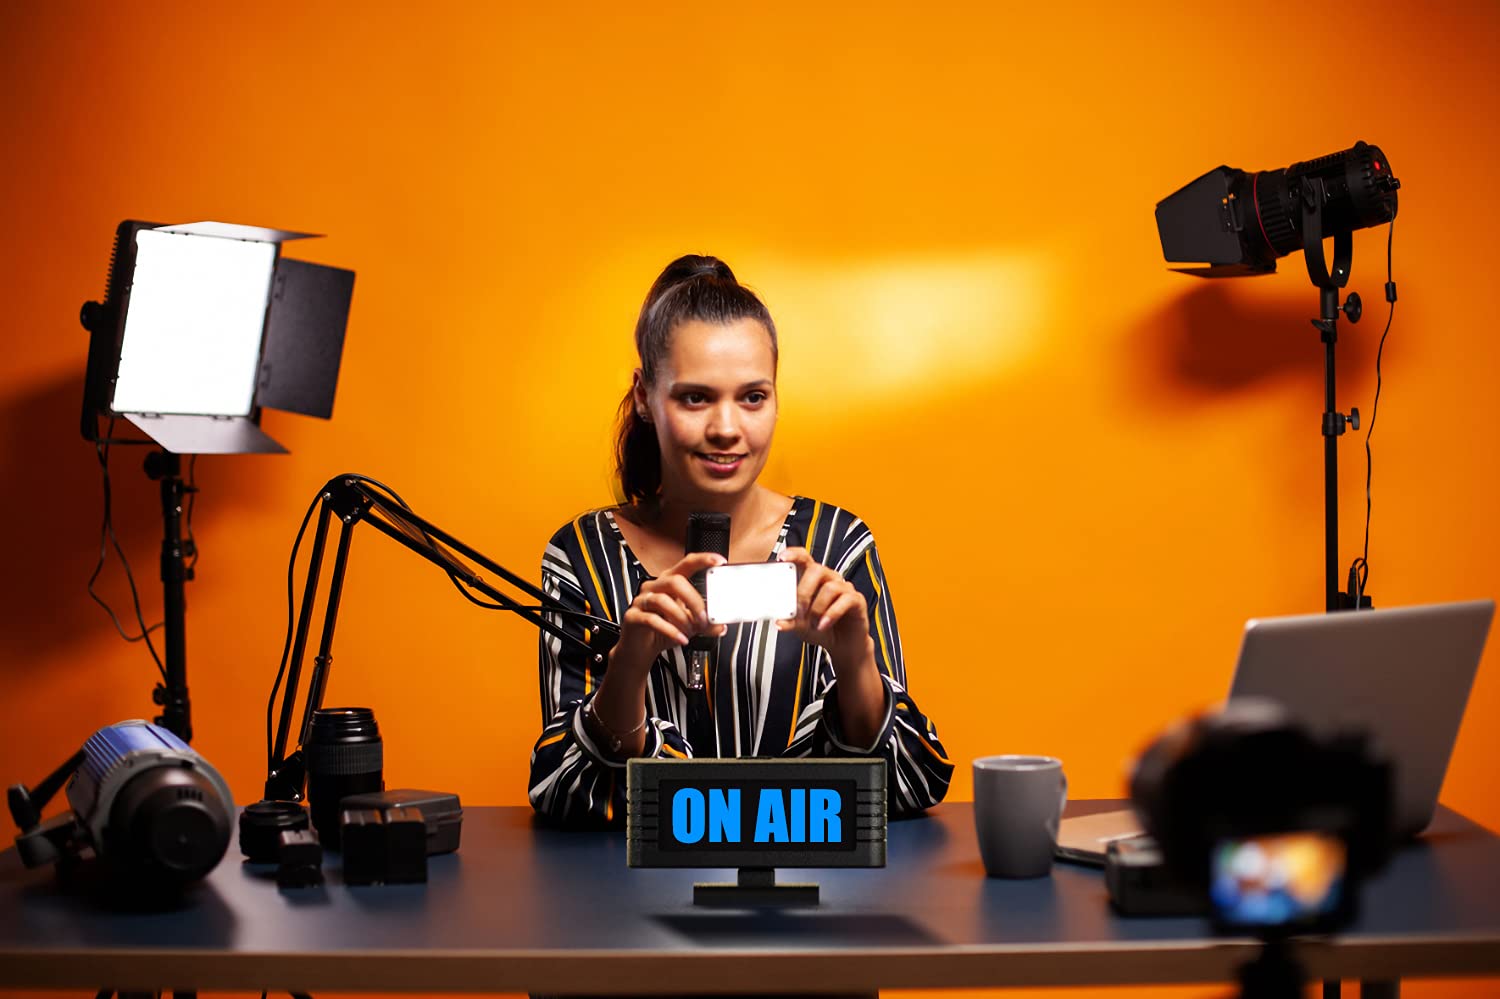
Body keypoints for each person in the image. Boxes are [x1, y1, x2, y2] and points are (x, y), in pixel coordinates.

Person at [528, 255, 951, 824]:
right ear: (646, 397)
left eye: (752, 397)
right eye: (695, 398)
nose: (727, 428)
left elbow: (900, 791)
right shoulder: (582, 555)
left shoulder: (836, 544)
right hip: (628, 897)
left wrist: (855, 663)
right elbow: (565, 795)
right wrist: (629, 666)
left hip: (812, 888)